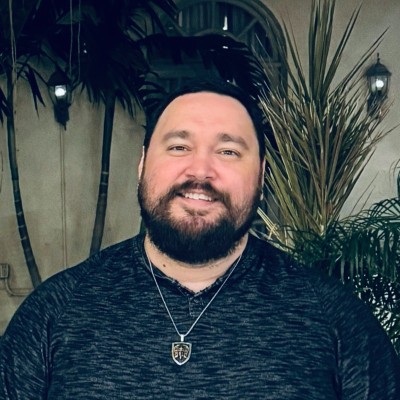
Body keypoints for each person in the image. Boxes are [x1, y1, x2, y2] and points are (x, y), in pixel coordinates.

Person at [1, 78, 399, 399]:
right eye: (179, 146)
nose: (200, 170)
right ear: (142, 164)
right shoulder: (54, 313)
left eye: (228, 152)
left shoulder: (338, 321)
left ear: (261, 176)